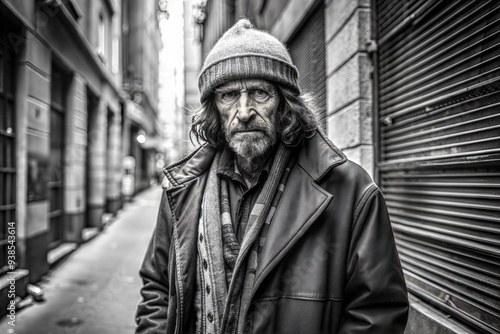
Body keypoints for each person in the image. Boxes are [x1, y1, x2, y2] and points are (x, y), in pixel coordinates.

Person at [135, 19, 409, 334]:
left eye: (259, 93)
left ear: (284, 102)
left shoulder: (350, 191)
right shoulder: (184, 188)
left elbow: (376, 314)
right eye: (228, 96)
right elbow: (157, 288)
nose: (244, 110)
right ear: (214, 108)